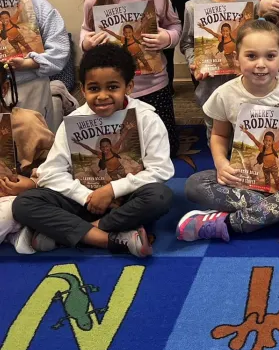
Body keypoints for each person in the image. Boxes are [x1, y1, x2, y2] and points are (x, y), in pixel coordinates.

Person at [177, 19, 279, 244]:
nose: (260, 64)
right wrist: (221, 164)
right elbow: (219, 135)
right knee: (195, 185)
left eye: (270, 56)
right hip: (244, 178)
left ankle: (228, 223)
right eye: (251, 56)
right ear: (236, 58)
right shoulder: (226, 94)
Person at [12, 44, 174, 257]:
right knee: (24, 203)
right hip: (84, 201)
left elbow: (160, 170)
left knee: (160, 196)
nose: (102, 96)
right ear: (83, 88)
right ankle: (110, 239)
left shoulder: (147, 119)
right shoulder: (73, 121)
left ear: (129, 86)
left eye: (113, 87)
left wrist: (112, 191)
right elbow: (50, 173)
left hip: (126, 199)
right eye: (94, 88)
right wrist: (88, 196)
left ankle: (78, 232)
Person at [81, 0, 181, 155]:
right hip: (115, 89)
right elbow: (86, 30)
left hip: (154, 83)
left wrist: (166, 38)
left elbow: (175, 27)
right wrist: (87, 43)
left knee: (166, 147)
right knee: (126, 146)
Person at [179, 0, 258, 122]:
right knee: (215, 134)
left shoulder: (254, 5)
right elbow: (187, 43)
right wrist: (195, 63)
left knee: (246, 129)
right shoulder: (193, 6)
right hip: (210, 87)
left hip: (247, 86)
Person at [0, 0, 69, 127]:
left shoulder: (38, 6)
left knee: (35, 144)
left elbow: (60, 50)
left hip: (32, 87)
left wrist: (29, 63)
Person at [0, 63, 55, 254]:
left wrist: (31, 183)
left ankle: (17, 227)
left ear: (4, 88)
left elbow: (55, 168)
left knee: (10, 212)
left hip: (14, 200)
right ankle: (16, 233)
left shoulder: (28, 122)